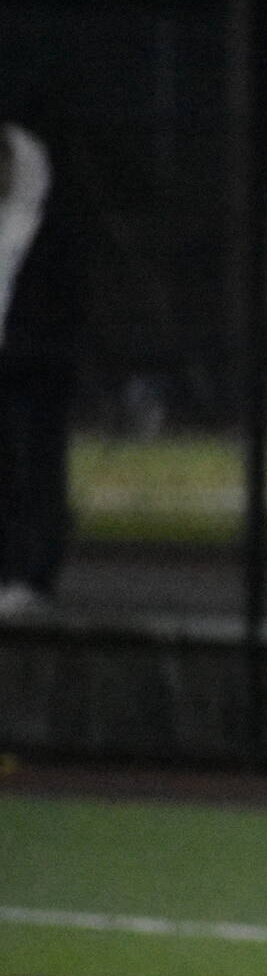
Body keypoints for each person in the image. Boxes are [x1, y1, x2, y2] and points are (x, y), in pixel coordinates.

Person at [0, 105, 82, 615]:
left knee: (37, 472)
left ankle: (34, 573)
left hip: (37, 371)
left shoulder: (47, 228)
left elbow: (61, 304)